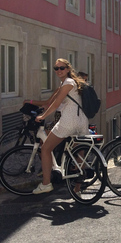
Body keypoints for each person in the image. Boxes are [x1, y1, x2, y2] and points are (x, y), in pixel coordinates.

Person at [32, 58, 89, 194]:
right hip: (81, 121)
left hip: (69, 121)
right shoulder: (72, 82)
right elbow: (52, 102)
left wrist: (43, 116)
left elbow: (56, 103)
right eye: (56, 68)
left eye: (62, 68)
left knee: (45, 149)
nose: (59, 71)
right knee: (78, 154)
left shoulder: (68, 83)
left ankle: (46, 184)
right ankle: (77, 190)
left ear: (68, 69)